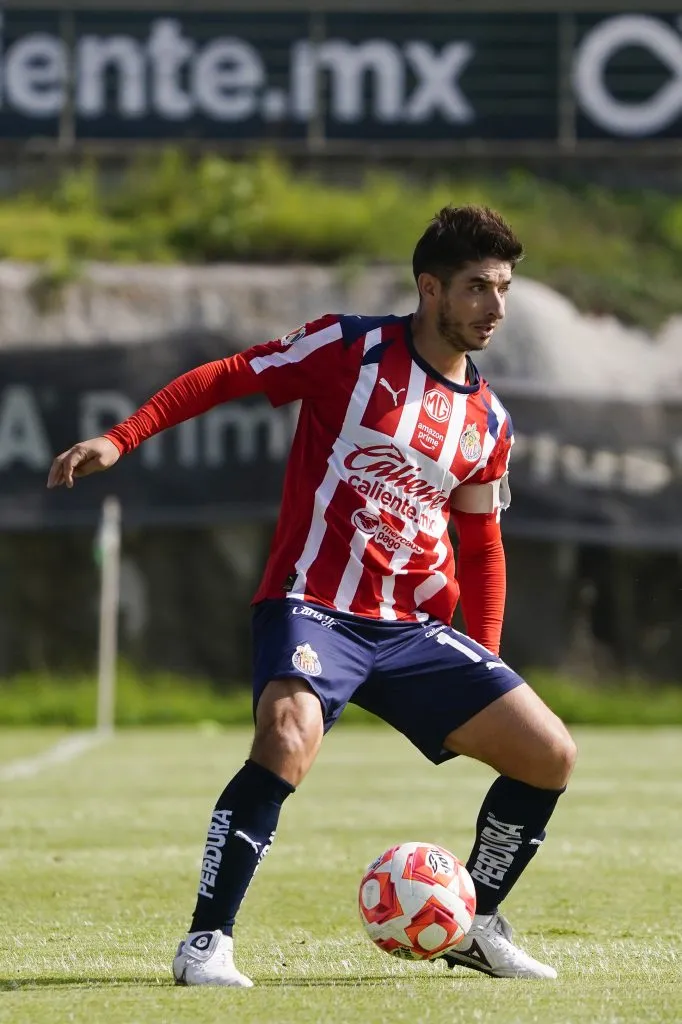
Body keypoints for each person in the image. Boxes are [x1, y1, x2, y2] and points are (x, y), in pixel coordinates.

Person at [47, 205, 576, 985]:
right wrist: (120, 438)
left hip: (409, 627)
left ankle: (475, 919)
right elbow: (228, 374)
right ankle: (206, 944)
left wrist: (483, 663)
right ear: (430, 289)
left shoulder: (487, 421)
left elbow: (482, 545)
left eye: (503, 289)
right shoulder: (349, 348)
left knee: (549, 755)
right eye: (476, 289)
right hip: (314, 604)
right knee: (287, 736)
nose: (495, 308)